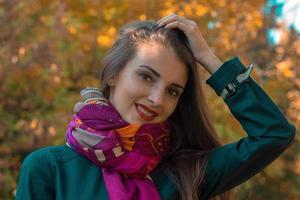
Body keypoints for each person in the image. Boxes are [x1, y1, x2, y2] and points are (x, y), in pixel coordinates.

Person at [16, 14, 296, 200]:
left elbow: (273, 135)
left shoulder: (187, 174)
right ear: (112, 75)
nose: (157, 99)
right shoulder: (49, 169)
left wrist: (208, 58)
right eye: (146, 76)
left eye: (173, 91)